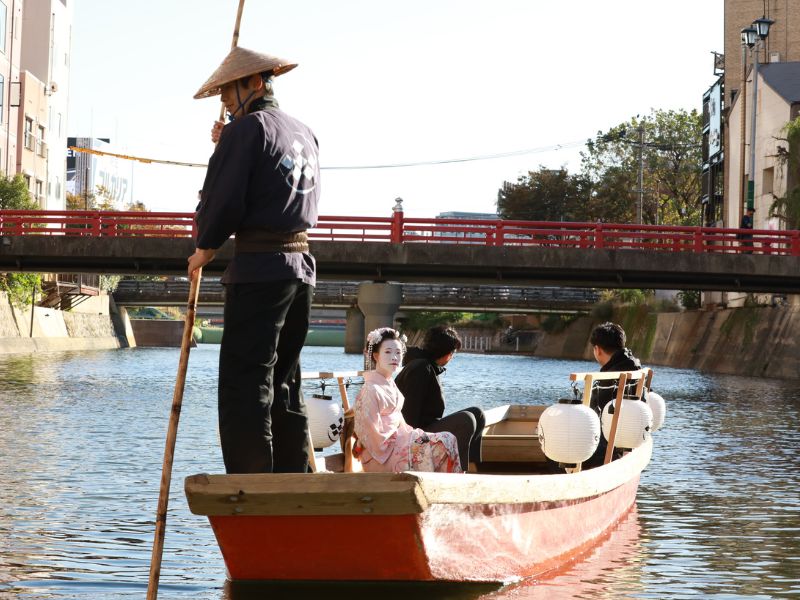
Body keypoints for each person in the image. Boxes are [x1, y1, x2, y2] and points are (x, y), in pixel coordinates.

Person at [187, 47, 320, 474]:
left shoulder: (246, 131)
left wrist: (206, 245)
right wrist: (227, 143)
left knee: (245, 382)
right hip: (299, 270)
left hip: (261, 270)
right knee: (284, 380)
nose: (225, 99)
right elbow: (271, 182)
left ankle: (250, 482)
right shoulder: (303, 132)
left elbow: (224, 199)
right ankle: (293, 478)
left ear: (257, 83)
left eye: (230, 89)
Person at [353, 328, 462, 473]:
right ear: (376, 355)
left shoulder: (390, 385)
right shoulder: (370, 389)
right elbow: (370, 434)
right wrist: (400, 442)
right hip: (380, 456)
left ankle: (447, 484)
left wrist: (411, 437)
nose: (394, 357)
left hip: (398, 442)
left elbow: (401, 424)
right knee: (440, 444)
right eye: (388, 352)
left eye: (398, 353)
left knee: (449, 439)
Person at [395, 326, 484, 471]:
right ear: (447, 353)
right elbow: (409, 415)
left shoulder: (428, 365)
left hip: (426, 427)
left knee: (477, 413)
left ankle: (473, 468)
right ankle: (459, 471)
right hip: (415, 436)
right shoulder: (420, 369)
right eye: (453, 352)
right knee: (466, 420)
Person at [583, 321, 641, 469]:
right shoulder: (636, 368)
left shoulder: (608, 379)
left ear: (597, 350)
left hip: (607, 450)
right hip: (632, 437)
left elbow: (593, 417)